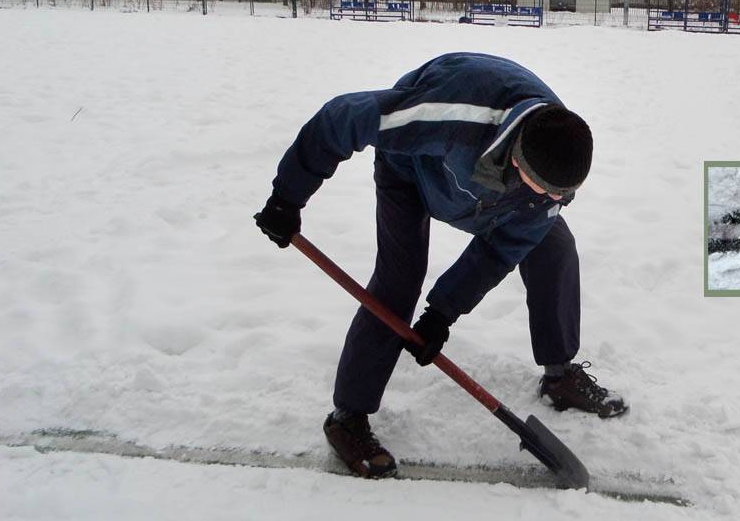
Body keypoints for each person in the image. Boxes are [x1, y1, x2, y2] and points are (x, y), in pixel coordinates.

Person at [254, 52, 628, 479]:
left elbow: (501, 249)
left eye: (562, 194)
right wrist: (288, 196)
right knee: (398, 281)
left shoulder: (550, 177)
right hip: (412, 174)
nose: (553, 200)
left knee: (554, 246)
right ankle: (348, 417)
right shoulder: (450, 115)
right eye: (546, 190)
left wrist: (442, 313)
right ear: (519, 158)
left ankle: (560, 376)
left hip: (490, 194)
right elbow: (342, 117)